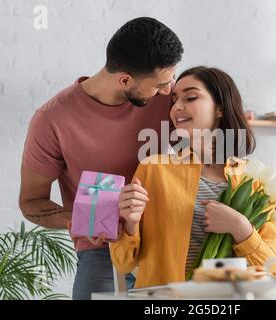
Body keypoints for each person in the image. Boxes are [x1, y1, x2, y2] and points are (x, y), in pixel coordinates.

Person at [19, 17, 183, 299]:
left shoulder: (169, 97)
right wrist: (80, 219)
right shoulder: (52, 119)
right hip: (102, 250)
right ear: (125, 80)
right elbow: (31, 202)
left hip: (168, 242)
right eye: (160, 85)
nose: (168, 90)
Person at [110, 66, 276, 288]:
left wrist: (240, 227)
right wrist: (130, 223)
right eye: (174, 100)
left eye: (190, 97)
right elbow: (123, 264)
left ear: (220, 108)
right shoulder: (154, 169)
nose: (177, 107)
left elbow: (271, 271)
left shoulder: (254, 180)